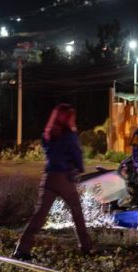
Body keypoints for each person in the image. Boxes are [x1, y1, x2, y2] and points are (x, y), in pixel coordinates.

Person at [12, 103, 93, 260]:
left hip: (49, 177)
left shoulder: (49, 134)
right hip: (65, 178)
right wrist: (79, 168)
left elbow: (49, 150)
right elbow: (77, 156)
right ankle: (86, 248)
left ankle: (22, 249)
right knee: (77, 213)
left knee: (39, 215)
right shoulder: (70, 135)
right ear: (69, 118)